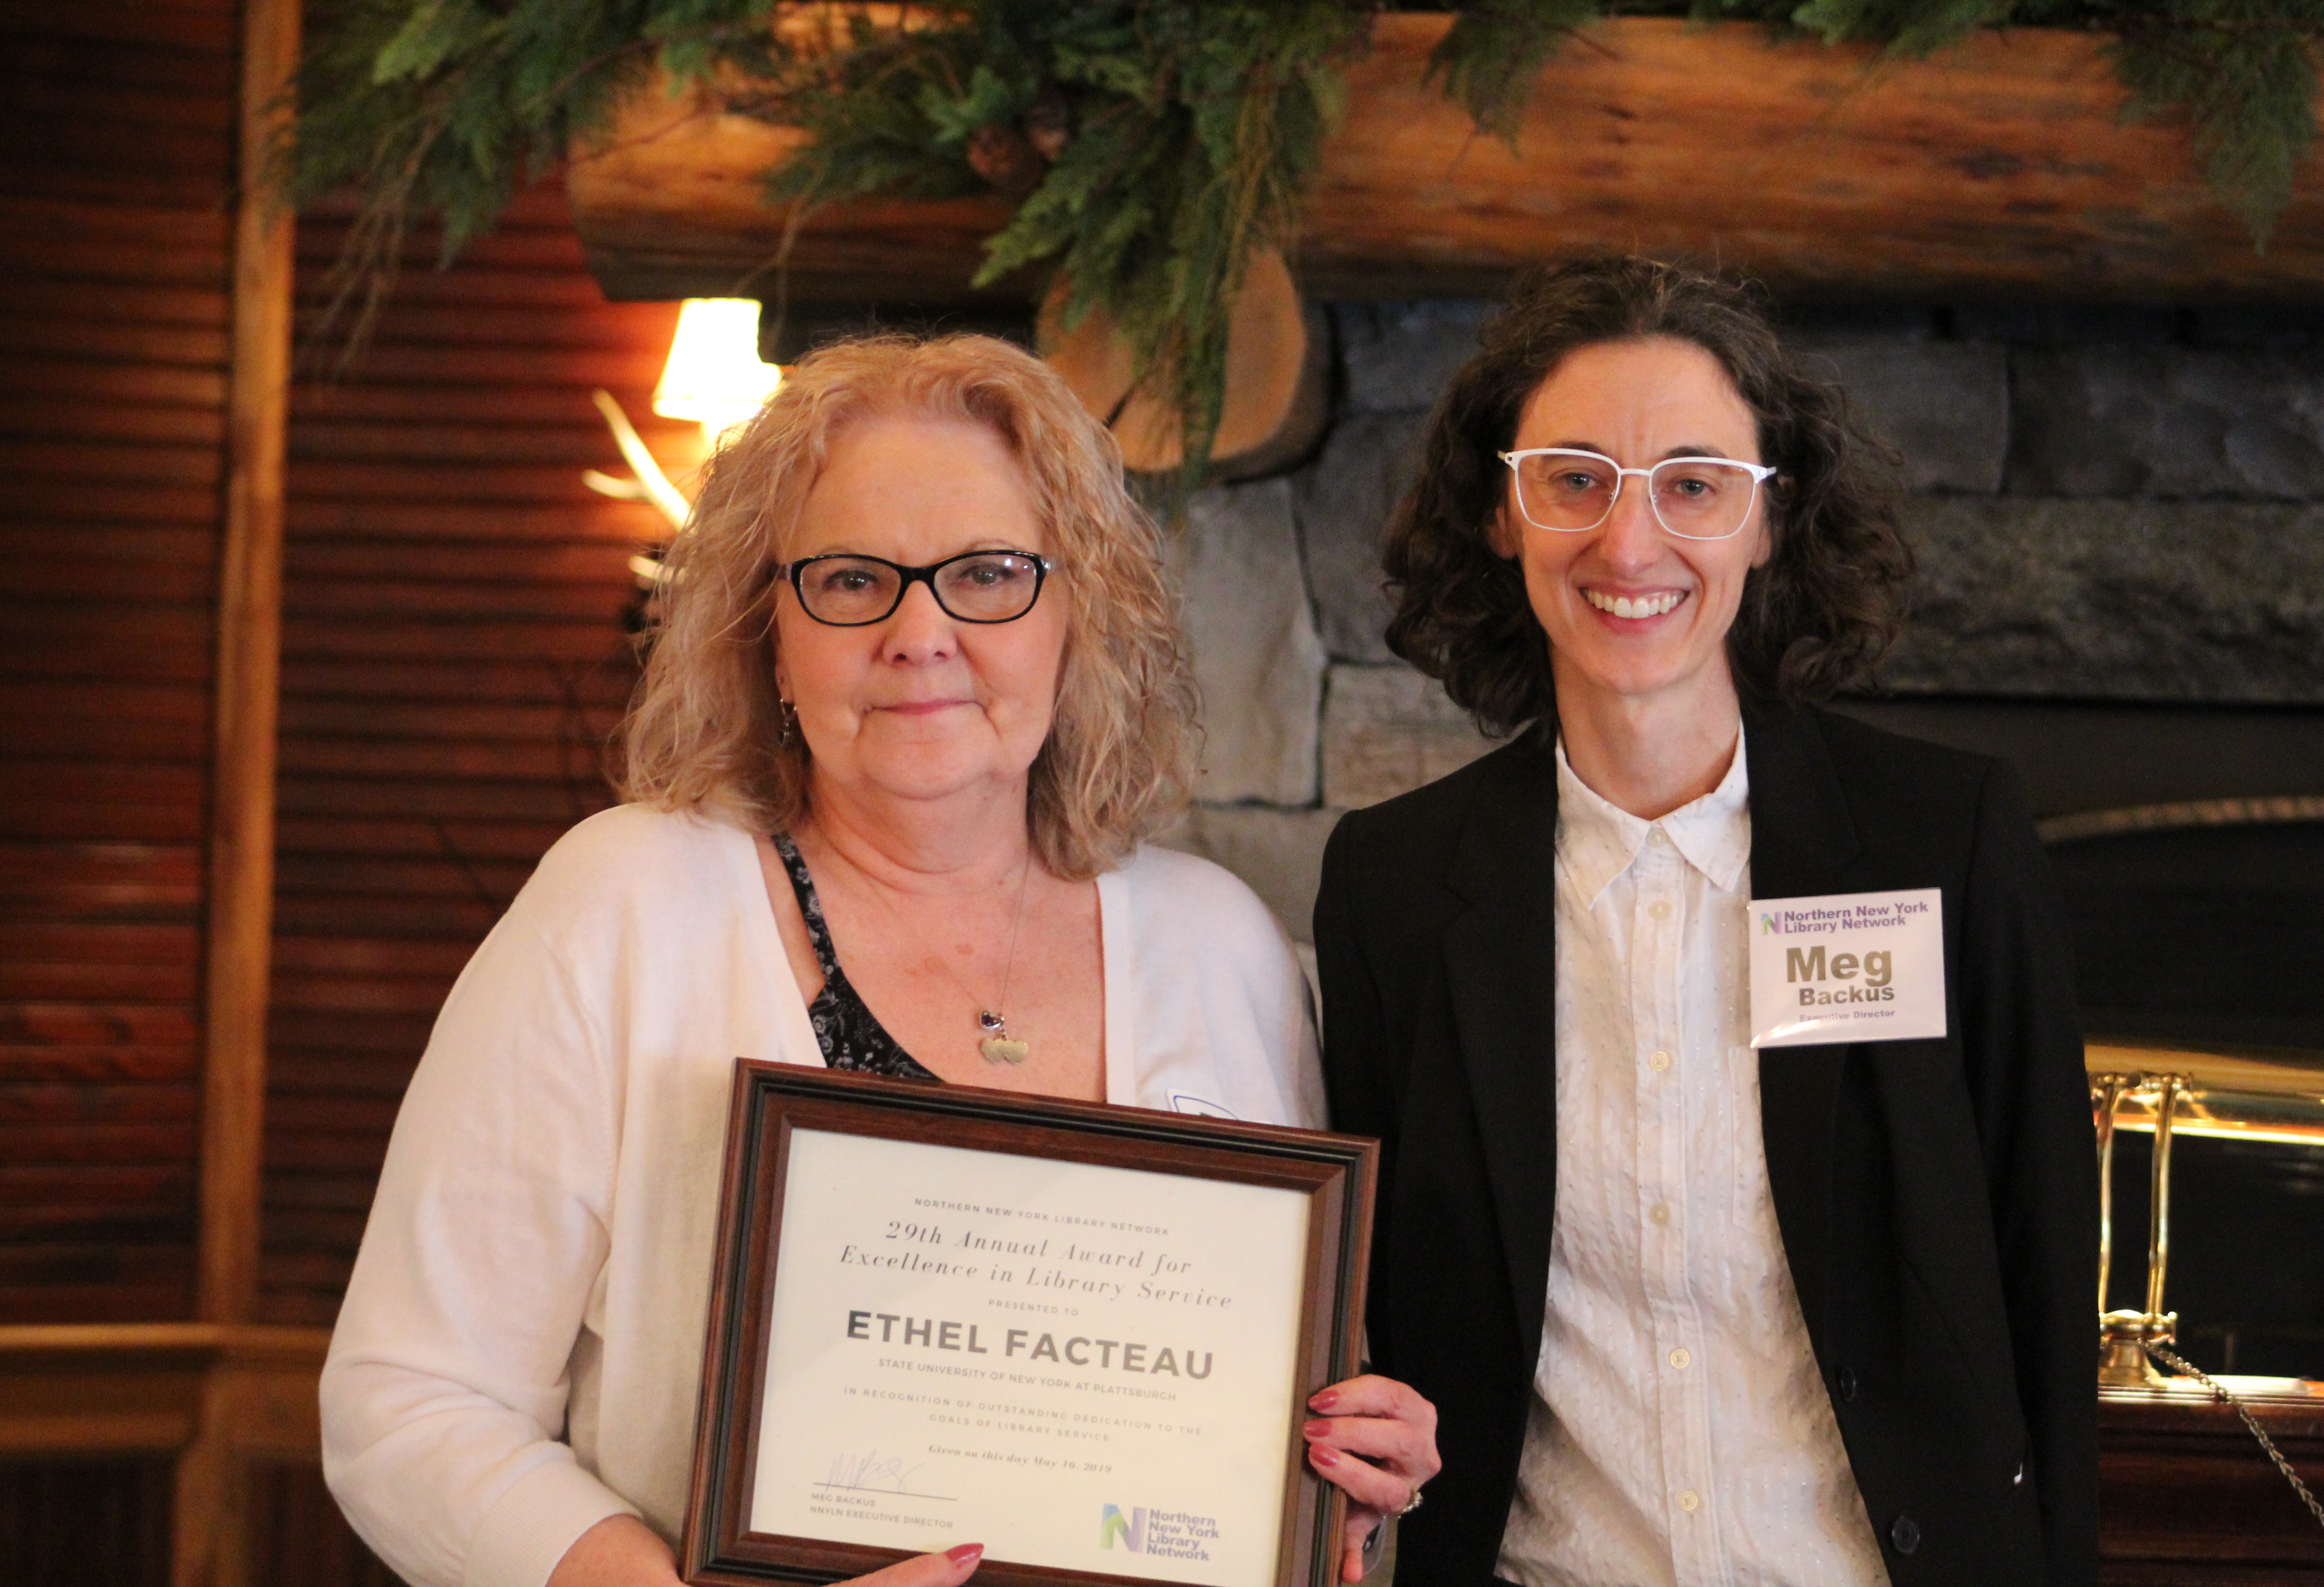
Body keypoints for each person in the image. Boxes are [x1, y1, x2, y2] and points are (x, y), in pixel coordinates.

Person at [322, 334, 1439, 1587]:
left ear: (1078, 617)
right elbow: (408, 1404)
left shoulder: (1220, 944)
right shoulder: (626, 906)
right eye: (853, 579)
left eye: (989, 574)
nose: (922, 631)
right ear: (770, 629)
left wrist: (1344, 1474)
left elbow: (1260, 1411)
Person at [1315, 258, 2096, 1587]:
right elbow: (1381, 1308)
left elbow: (2041, 1261)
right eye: (1574, 480)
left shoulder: (1940, 839)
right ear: (1502, 515)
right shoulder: (1395, 885)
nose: (1630, 545)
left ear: (1767, 522)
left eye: (1693, 485)